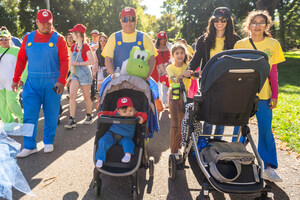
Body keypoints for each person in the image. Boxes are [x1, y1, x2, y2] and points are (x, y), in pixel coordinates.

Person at [234, 10, 285, 182]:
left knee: (265, 129)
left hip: (264, 94)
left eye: (261, 22)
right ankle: (235, 156)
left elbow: (274, 72)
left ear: (267, 25)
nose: (257, 26)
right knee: (239, 126)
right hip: (243, 94)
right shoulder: (240, 45)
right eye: (254, 22)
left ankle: (269, 166)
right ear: (248, 26)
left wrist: (275, 94)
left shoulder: (273, 44)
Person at [12, 9, 69, 157]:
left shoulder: (59, 39)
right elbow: (21, 59)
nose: (45, 26)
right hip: (32, 83)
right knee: (29, 114)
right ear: (37, 22)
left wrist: (62, 81)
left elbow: (64, 61)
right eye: (42, 23)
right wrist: (16, 79)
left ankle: (48, 141)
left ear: (52, 23)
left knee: (51, 113)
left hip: (52, 83)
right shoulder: (28, 38)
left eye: (48, 23)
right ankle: (30, 145)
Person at [187, 7, 241, 139]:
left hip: (227, 82)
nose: (219, 22)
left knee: (222, 114)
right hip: (208, 81)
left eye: (223, 19)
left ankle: (218, 141)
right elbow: (196, 59)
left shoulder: (236, 40)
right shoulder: (204, 39)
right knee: (208, 114)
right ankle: (205, 140)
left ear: (228, 22)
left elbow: (239, 60)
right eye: (216, 19)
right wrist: (188, 70)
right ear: (212, 21)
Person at [102, 7, 157, 79]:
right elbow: (108, 59)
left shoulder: (144, 37)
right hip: (118, 77)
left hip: (139, 78)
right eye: (125, 20)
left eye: (132, 19)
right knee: (102, 88)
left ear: (136, 20)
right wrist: (113, 75)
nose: (128, 22)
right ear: (121, 21)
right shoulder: (114, 37)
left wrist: (146, 76)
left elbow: (151, 58)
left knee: (155, 90)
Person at [95, 97, 147, 168]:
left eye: (130, 110)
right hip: (111, 134)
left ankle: (127, 156)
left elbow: (144, 114)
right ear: (118, 111)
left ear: (134, 109)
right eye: (124, 112)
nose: (128, 113)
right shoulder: (115, 113)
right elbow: (104, 113)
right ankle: (100, 159)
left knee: (129, 143)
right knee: (103, 141)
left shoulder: (135, 114)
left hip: (126, 137)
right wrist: (100, 115)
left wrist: (141, 119)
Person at [64, 24, 94, 129]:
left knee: (86, 97)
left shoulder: (86, 46)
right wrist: (67, 75)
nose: (71, 34)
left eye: (73, 32)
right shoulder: (73, 47)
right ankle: (72, 119)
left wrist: (78, 63)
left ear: (78, 34)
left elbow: (91, 61)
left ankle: (89, 115)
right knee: (72, 95)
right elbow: (71, 62)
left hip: (85, 74)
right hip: (75, 74)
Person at [166, 43, 191, 158]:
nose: (180, 56)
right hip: (175, 94)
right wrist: (180, 76)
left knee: (183, 123)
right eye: (177, 53)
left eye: (182, 53)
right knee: (175, 123)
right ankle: (174, 150)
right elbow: (172, 79)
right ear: (173, 55)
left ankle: (180, 146)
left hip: (185, 94)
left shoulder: (188, 66)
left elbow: (194, 76)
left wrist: (193, 73)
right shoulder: (170, 67)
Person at [0, 30, 23, 123]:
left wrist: (22, 79)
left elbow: (25, 65)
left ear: (10, 39)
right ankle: (8, 124)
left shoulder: (17, 50)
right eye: (1, 39)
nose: (3, 41)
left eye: (6, 39)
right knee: (2, 106)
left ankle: (23, 119)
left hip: (13, 82)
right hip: (1, 83)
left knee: (11, 103)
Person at [152, 31, 172, 108]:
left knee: (166, 84)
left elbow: (172, 56)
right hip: (157, 68)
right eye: (161, 39)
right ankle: (158, 101)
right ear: (158, 39)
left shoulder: (169, 46)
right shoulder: (155, 47)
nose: (163, 40)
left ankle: (165, 101)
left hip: (167, 67)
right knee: (157, 85)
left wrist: (170, 62)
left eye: (164, 39)